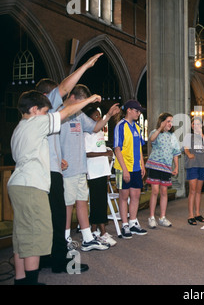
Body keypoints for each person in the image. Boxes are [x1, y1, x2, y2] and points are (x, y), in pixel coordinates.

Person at [8, 90, 101, 285]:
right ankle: (31, 282)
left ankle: (21, 279)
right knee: (36, 235)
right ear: (34, 109)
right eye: (44, 111)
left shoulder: (19, 128)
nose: (46, 116)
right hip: (32, 185)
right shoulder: (36, 122)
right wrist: (90, 100)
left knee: (21, 235)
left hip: (17, 183)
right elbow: (64, 113)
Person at [35, 52, 103, 273]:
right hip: (49, 172)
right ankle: (57, 259)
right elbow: (64, 88)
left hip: (53, 169)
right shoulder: (47, 114)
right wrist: (85, 66)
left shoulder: (49, 116)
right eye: (54, 94)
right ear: (46, 96)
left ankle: (51, 256)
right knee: (56, 215)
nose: (58, 97)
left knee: (53, 217)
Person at [60, 84, 120, 251]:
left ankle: (87, 238)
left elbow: (95, 127)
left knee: (82, 203)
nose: (83, 107)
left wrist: (108, 115)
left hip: (81, 168)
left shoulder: (79, 115)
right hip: (67, 169)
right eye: (82, 102)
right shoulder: (59, 114)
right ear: (73, 98)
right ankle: (65, 238)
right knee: (67, 205)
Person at [113, 100, 148, 239]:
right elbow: (117, 149)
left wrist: (142, 164)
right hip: (122, 168)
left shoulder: (138, 127)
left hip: (136, 168)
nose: (138, 113)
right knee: (124, 196)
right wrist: (125, 170)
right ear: (128, 110)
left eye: (139, 111)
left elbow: (139, 147)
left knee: (135, 196)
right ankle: (125, 225)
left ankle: (133, 223)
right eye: (136, 111)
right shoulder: (120, 126)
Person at [84, 107, 117, 246]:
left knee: (102, 201)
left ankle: (95, 230)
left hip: (102, 171)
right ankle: (101, 232)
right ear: (89, 119)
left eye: (99, 115)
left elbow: (102, 150)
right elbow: (87, 153)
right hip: (94, 172)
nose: (99, 117)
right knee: (97, 203)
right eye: (96, 115)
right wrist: (104, 154)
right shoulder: (87, 134)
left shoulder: (100, 134)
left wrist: (107, 172)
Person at [145, 112, 181, 228]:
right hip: (155, 165)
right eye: (168, 121)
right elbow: (151, 139)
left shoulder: (172, 136)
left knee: (164, 192)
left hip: (166, 167)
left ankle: (162, 217)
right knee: (155, 191)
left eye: (171, 122)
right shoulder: (155, 132)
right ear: (162, 122)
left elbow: (175, 153)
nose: (170, 124)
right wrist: (160, 128)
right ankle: (151, 217)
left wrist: (176, 167)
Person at [183, 117, 204, 225]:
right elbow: (186, 148)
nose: (197, 126)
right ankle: (190, 215)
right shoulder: (188, 136)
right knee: (193, 190)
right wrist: (189, 154)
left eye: (199, 124)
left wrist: (202, 134)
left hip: (202, 165)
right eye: (194, 124)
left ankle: (197, 213)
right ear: (192, 126)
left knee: (199, 191)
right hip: (193, 165)